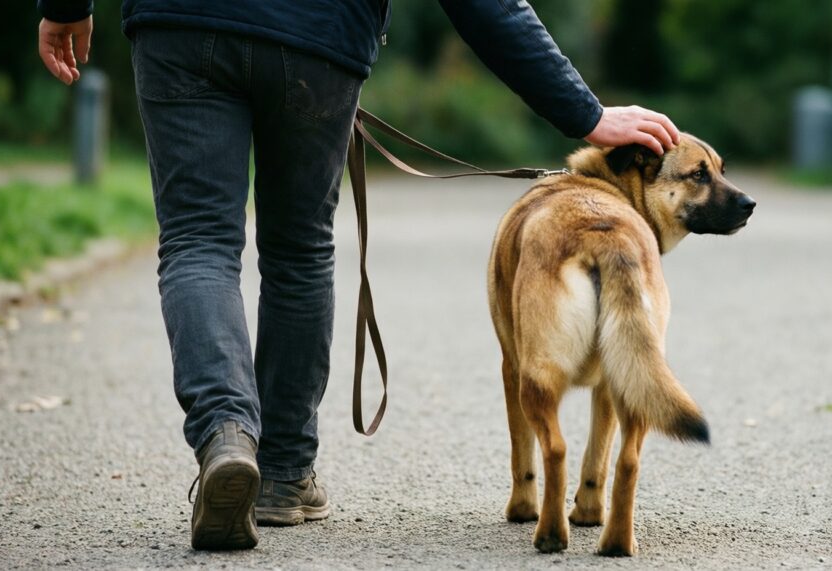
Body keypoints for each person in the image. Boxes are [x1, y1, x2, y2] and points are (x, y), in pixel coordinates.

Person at [36, 0, 682, 551]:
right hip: (320, 36)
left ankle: (226, 433)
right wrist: (584, 113)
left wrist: (64, 4)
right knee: (297, 249)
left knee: (199, 240)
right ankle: (284, 473)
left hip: (183, 23)